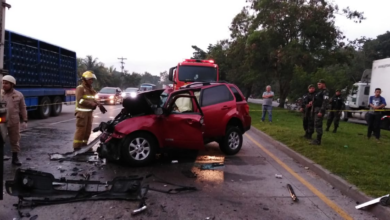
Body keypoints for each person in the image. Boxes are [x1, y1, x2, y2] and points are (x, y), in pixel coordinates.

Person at [73, 71, 107, 151]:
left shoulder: (90, 89)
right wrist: (91, 104)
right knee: (81, 131)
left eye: (92, 80)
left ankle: (84, 146)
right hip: (82, 113)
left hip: (89, 113)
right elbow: (80, 100)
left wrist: (99, 104)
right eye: (90, 80)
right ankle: (77, 147)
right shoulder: (80, 88)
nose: (91, 81)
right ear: (85, 79)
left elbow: (94, 99)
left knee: (87, 131)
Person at [1, 75, 27, 166]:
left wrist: (25, 120)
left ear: (12, 85)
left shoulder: (18, 95)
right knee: (1, 139)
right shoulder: (0, 94)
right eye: (3, 83)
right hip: (1, 121)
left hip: (14, 121)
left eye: (6, 83)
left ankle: (15, 158)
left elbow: (23, 108)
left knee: (15, 140)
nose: (4, 85)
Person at [308, 79, 329, 145]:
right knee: (315, 124)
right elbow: (318, 100)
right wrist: (312, 102)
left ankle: (318, 140)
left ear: (323, 84)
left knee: (318, 124)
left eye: (319, 84)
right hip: (315, 109)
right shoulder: (320, 92)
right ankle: (316, 139)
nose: (318, 85)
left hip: (319, 110)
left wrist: (321, 111)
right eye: (317, 84)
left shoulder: (325, 92)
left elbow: (325, 102)